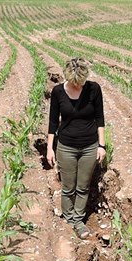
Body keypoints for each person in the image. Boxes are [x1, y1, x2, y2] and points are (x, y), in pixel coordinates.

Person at [47, 57, 106, 239]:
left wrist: (101, 145)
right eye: (75, 83)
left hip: (89, 146)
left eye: (81, 83)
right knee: (68, 187)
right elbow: (52, 122)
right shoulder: (58, 92)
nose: (78, 86)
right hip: (66, 147)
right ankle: (69, 218)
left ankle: (78, 220)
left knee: (83, 186)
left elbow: (100, 118)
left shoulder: (94, 89)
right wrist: (50, 148)